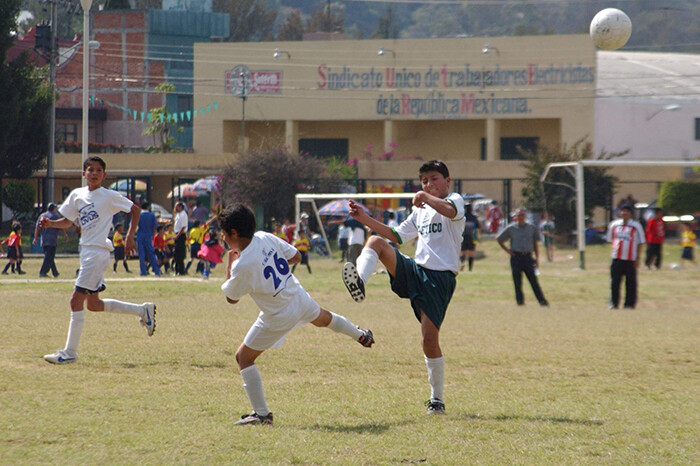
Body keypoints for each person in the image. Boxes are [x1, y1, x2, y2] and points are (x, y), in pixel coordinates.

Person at [219, 204, 374, 426]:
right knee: (324, 319)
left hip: (278, 314)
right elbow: (296, 257)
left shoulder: (241, 265)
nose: (223, 237)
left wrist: (229, 263)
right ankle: (360, 334)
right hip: (296, 296)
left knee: (243, 358)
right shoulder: (264, 237)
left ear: (234, 233)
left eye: (224, 233)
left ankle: (262, 414)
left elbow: (231, 298)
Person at [341, 160, 464, 415]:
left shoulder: (454, 200)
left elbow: (451, 212)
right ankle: (360, 282)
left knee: (429, 339)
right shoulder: (420, 211)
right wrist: (364, 218)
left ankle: (437, 400)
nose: (429, 184)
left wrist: (424, 197)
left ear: (447, 181)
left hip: (439, 278)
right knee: (376, 242)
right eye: (424, 181)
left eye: (434, 178)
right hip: (416, 270)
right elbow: (396, 236)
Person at [39, 156, 156, 365]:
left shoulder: (109, 196)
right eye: (90, 169)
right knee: (93, 304)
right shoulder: (77, 195)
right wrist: (51, 224)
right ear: (83, 173)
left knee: (75, 300)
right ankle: (142, 310)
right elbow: (68, 221)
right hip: (87, 252)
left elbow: (135, 210)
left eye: (98, 170)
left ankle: (70, 352)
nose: (93, 173)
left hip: (97, 253)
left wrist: (130, 237)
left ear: (104, 175)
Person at [496, 209, 549, 307]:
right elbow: (499, 239)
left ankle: (542, 301)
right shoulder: (511, 228)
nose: (520, 217)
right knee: (517, 281)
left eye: (522, 215)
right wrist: (508, 250)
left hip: (528, 257)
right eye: (519, 215)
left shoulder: (531, 228)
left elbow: (535, 243)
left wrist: (536, 258)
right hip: (516, 256)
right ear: (516, 217)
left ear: (525, 216)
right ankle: (520, 302)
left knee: (533, 280)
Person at [606, 204, 645, 310]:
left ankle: (629, 304)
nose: (624, 213)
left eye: (627, 211)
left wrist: (637, 258)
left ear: (630, 213)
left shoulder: (636, 226)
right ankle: (614, 303)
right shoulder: (614, 225)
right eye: (623, 211)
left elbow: (640, 242)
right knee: (615, 282)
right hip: (617, 258)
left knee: (631, 282)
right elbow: (611, 240)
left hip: (630, 259)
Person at [34, 203, 69, 278]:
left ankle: (55, 272)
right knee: (49, 257)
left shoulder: (42, 215)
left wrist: (35, 238)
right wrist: (65, 235)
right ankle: (43, 272)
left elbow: (37, 227)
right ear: (53, 209)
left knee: (49, 256)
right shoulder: (56, 216)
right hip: (52, 240)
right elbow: (61, 226)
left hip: (44, 240)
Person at [136, 201, 161, 277]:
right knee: (151, 254)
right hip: (148, 236)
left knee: (141, 254)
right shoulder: (151, 215)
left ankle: (143, 271)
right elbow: (155, 227)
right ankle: (157, 271)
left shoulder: (139, 215)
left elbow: (134, 225)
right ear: (148, 207)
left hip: (140, 235)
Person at [460, 203, 482, 271]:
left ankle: (462, 265)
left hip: (464, 237)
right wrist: (478, 237)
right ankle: (470, 268)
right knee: (470, 253)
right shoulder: (474, 218)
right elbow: (478, 227)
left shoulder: (462, 217)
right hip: (472, 237)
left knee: (463, 252)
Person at [173, 201, 189, 275]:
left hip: (181, 235)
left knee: (180, 253)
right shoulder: (178, 214)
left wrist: (177, 236)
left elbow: (183, 227)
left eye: (177, 206)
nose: (175, 208)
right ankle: (177, 270)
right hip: (177, 234)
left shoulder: (183, 214)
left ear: (180, 207)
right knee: (176, 253)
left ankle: (181, 270)